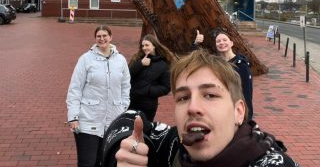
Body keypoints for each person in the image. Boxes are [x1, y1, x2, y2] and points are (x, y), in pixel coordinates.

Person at [101, 49, 299, 167]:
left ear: (239, 112)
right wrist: (121, 151)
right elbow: (128, 118)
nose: (192, 107)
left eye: (210, 95)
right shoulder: (170, 146)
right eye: (183, 97)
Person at [66, 24, 130, 167]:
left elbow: (126, 86)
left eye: (104, 36)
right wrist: (73, 116)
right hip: (88, 120)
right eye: (98, 36)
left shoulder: (121, 60)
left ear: (110, 37)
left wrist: (123, 107)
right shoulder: (85, 59)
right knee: (87, 162)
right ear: (95, 39)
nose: (102, 39)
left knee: (107, 161)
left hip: (113, 120)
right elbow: (75, 88)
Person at [193, 29, 254, 120]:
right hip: (219, 108)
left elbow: (247, 92)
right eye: (218, 41)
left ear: (231, 43)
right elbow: (196, 61)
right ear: (216, 45)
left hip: (234, 110)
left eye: (225, 40)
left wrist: (246, 116)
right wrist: (196, 44)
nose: (221, 43)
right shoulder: (216, 63)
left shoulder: (242, 65)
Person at [128, 34, 177, 121]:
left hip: (148, 104)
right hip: (131, 102)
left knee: (145, 130)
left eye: (147, 45)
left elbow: (166, 88)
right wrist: (140, 64)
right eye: (143, 46)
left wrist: (149, 90)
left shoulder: (163, 64)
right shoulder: (137, 59)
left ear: (154, 46)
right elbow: (127, 76)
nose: (144, 48)